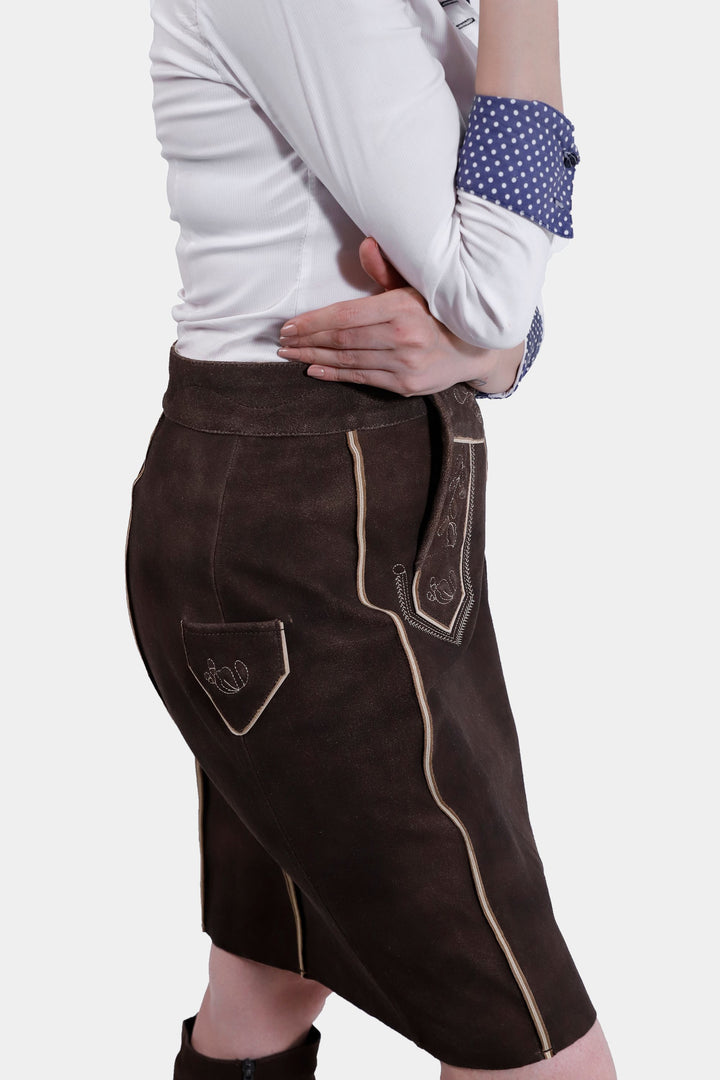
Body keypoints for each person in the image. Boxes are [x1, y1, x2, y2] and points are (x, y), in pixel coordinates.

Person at [125, 0, 617, 1076]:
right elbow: (491, 287)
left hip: (338, 513)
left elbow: (490, 300)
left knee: (271, 968)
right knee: (535, 1048)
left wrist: (485, 353)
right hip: (302, 544)